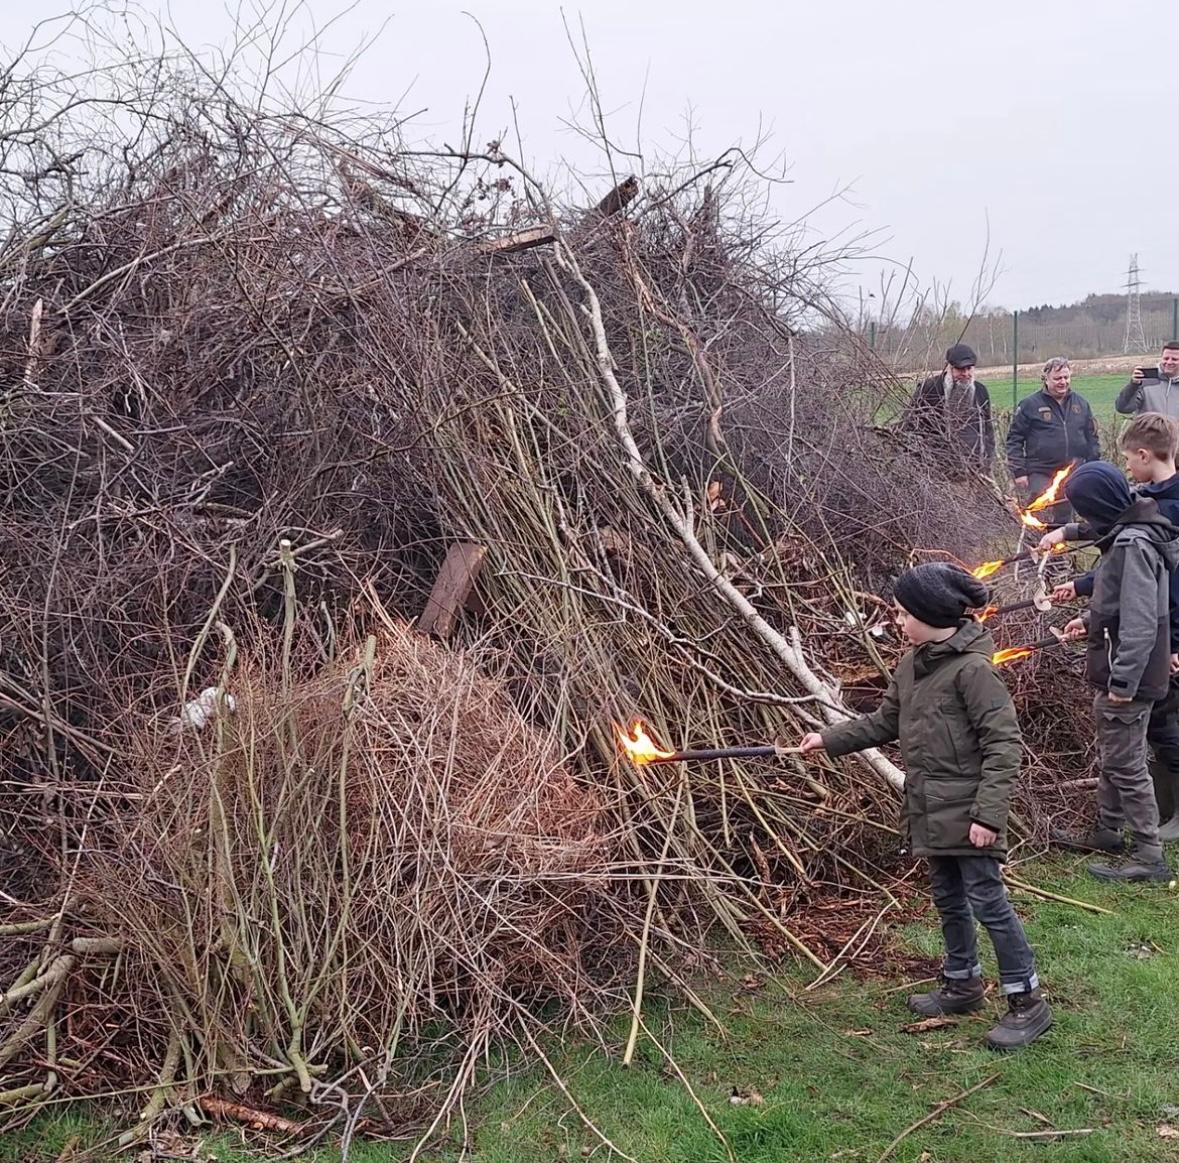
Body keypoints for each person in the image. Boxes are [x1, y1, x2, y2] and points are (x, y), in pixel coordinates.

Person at [799, 563, 1050, 1050]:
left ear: (931, 614)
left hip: (970, 812)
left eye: (902, 613)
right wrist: (828, 739)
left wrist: (988, 815)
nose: (896, 621)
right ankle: (962, 983)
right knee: (948, 898)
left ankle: (1027, 1000)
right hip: (929, 809)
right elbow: (884, 722)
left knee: (989, 903)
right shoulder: (912, 664)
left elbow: (1003, 746)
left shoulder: (974, 672)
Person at [1041, 414, 1179, 843]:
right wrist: (1088, 604)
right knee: (1130, 739)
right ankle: (1119, 823)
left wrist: (1173, 644)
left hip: (1160, 641)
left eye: (1129, 459)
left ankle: (1157, 832)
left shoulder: (1164, 514)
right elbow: (1116, 537)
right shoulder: (1148, 501)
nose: (1128, 468)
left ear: (1145, 454)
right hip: (1147, 643)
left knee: (1160, 729)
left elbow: (1147, 600)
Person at [1004, 357, 1101, 525]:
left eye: (1066, 377)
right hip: (1040, 471)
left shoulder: (1081, 404)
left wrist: (1094, 466)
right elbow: (1014, 440)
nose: (1062, 382)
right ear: (1046, 379)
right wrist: (1019, 471)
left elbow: (1092, 438)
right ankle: (1035, 540)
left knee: (1064, 516)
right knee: (1039, 513)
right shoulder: (1029, 405)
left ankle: (1060, 541)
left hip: (1072, 473)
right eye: (1057, 378)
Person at [906, 343, 995, 469]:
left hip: (974, 469)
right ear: (949, 368)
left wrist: (986, 462)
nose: (966, 374)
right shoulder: (930, 389)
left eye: (969, 368)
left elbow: (988, 431)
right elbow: (909, 425)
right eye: (960, 369)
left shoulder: (980, 391)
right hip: (935, 469)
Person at [1115, 341, 1179, 418]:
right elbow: (1123, 408)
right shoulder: (1145, 381)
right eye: (1166, 358)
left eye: (1174, 359)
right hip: (1149, 426)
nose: (1169, 362)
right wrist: (1133, 385)